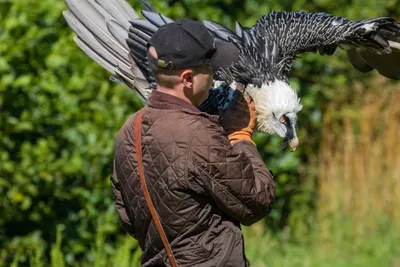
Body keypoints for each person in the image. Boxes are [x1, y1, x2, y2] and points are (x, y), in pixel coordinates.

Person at [111, 18, 275, 267]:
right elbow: (257, 201)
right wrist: (240, 136)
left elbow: (128, 215)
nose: (215, 77)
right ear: (187, 79)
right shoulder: (198, 134)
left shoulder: (128, 131)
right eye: (210, 70)